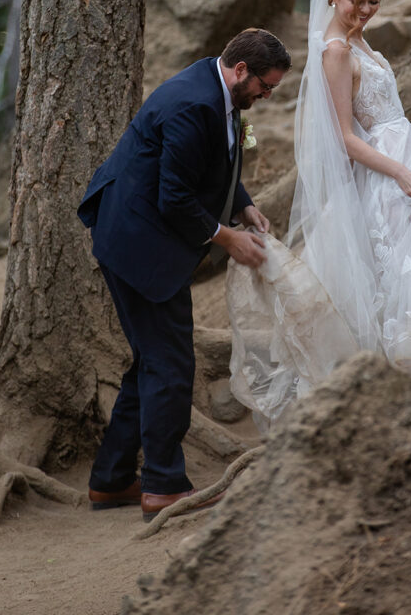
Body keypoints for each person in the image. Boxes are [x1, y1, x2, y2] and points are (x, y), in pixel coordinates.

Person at [227, 0, 411, 427]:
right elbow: (345, 139)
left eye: (374, 2)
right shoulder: (334, 51)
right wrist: (400, 172)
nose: (366, 10)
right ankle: (397, 390)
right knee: (398, 276)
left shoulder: (358, 39)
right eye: (357, 1)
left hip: (406, 157)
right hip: (386, 172)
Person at [77, 28, 291, 519]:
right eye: (266, 86)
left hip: (141, 235)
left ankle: (110, 480)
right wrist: (227, 237)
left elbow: (215, 164)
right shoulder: (193, 105)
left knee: (151, 361)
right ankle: (164, 487)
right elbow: (174, 197)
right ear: (241, 71)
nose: (267, 94)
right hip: (138, 244)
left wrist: (246, 208)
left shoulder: (217, 87)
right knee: (171, 365)